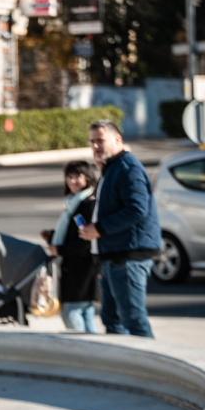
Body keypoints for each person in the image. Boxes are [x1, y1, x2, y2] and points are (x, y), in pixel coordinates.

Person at [78, 119, 162, 338]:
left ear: (117, 139)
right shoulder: (112, 167)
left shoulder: (127, 168)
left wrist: (100, 229)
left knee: (132, 319)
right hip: (114, 255)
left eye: (100, 141)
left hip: (128, 256)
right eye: (92, 142)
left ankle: (150, 368)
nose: (96, 146)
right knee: (112, 320)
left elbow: (137, 210)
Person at [42, 161, 100, 333]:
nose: (73, 181)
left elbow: (87, 240)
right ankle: (95, 352)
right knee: (85, 311)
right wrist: (52, 236)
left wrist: (61, 250)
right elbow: (74, 233)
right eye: (70, 177)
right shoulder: (74, 203)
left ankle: (85, 352)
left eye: (78, 177)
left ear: (88, 177)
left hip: (82, 267)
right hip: (77, 265)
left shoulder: (87, 203)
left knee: (70, 312)